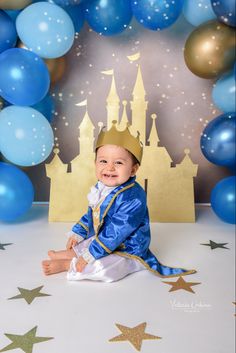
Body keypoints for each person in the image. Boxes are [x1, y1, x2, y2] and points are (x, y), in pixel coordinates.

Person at [42, 121, 196, 282]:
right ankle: (71, 254)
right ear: (95, 163)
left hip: (127, 248)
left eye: (118, 163)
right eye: (103, 161)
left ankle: (68, 265)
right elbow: (91, 214)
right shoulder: (101, 188)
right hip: (106, 239)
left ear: (133, 169)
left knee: (107, 268)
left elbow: (117, 231)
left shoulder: (134, 197)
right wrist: (78, 231)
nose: (109, 168)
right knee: (88, 242)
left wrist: (89, 256)